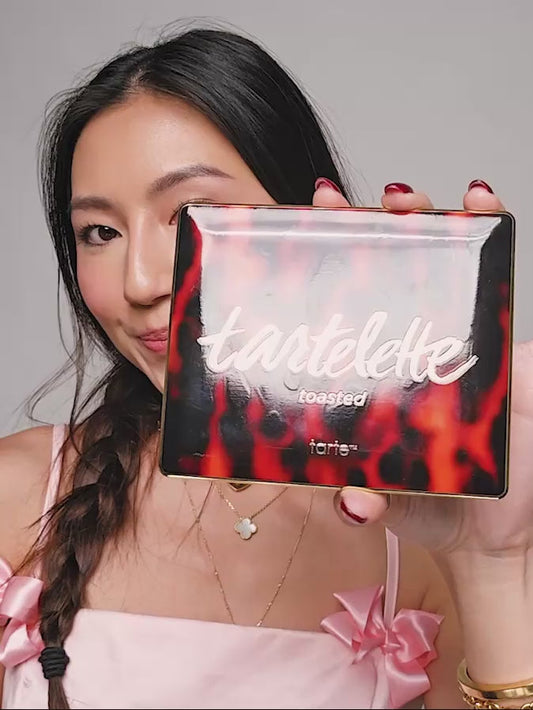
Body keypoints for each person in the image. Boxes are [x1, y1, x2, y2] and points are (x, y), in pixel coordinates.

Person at [0, 26, 531, 710]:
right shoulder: (17, 498)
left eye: (190, 214)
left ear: (308, 218)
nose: (139, 282)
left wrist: (492, 567)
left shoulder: (423, 533)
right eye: (100, 232)